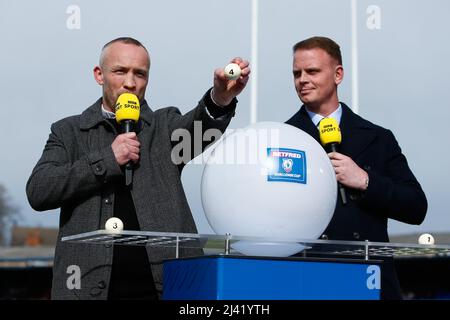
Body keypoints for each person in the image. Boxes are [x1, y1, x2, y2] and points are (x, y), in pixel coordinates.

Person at [26, 37, 250, 300]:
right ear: (99, 75)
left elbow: (200, 130)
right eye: (120, 71)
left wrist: (220, 98)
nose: (130, 83)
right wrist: (108, 159)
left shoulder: (163, 126)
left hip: (166, 288)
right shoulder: (68, 132)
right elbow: (39, 191)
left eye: (139, 74)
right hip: (87, 289)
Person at [285, 36, 427, 299]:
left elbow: (416, 207)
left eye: (312, 71)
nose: (302, 79)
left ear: (338, 74)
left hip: (369, 281)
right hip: (305, 280)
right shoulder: (282, 138)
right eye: (297, 73)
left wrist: (365, 181)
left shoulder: (379, 138)